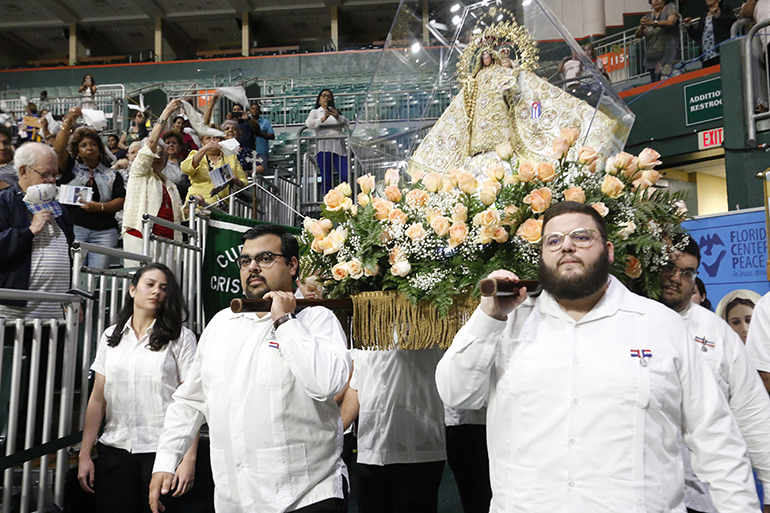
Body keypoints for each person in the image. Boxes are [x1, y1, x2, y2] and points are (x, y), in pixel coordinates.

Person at [435, 201, 762, 512]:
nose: (567, 246)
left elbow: (716, 438)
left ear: (608, 250)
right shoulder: (506, 323)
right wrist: (488, 317)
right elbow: (456, 392)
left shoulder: (661, 326)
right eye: (553, 240)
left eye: (581, 237)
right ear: (541, 255)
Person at [149, 224, 351, 513]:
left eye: (266, 258)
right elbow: (190, 401)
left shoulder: (317, 319)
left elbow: (326, 384)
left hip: (306, 494)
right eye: (246, 261)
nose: (253, 267)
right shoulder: (221, 323)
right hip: (236, 497)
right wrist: (166, 460)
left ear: (292, 264)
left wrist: (284, 321)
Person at [658, 238, 770, 513]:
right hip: (647, 486)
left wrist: (768, 488)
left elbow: (751, 412)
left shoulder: (716, 332)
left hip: (707, 490)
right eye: (669, 267)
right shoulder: (632, 320)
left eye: (687, 272)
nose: (677, 279)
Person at [78, 263, 198, 513]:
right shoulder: (111, 335)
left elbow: (192, 401)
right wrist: (84, 454)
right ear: (132, 289)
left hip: (163, 452)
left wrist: (188, 459)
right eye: (150, 284)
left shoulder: (181, 337)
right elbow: (98, 399)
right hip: (115, 448)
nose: (157, 292)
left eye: (163, 288)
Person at [406, 45, 617, 177]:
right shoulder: (476, 78)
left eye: (489, 55)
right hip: (481, 119)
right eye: (484, 56)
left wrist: (509, 77)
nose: (486, 59)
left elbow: (520, 92)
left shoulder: (504, 71)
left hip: (500, 114)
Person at [348, 346, 447, 513]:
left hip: (418, 450)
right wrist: (338, 429)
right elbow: (356, 386)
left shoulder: (428, 330)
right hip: (371, 451)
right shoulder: (368, 337)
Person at [0, 142, 74, 319]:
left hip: (54, 312)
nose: (51, 180)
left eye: (55, 174)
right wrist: (29, 231)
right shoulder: (4, 202)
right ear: (24, 171)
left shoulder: (60, 209)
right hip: (13, 312)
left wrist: (72, 298)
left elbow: (71, 253)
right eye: (45, 174)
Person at [55, 107, 126, 269]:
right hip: (74, 230)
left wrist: (100, 207)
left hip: (105, 233)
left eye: (93, 144)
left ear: (100, 149)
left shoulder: (112, 174)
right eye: (84, 145)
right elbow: (59, 151)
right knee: (73, 275)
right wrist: (69, 121)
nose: (89, 147)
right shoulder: (69, 168)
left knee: (96, 278)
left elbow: (121, 200)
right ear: (77, 150)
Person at [121, 100, 185, 261]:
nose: (157, 157)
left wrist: (194, 206)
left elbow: (180, 216)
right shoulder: (139, 173)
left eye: (161, 154)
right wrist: (166, 112)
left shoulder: (169, 184)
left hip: (169, 243)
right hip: (141, 238)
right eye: (153, 154)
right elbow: (150, 144)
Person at [181, 127, 247, 207]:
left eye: (216, 137)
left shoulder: (231, 157)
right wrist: (204, 149)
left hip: (224, 206)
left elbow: (244, 181)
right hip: (199, 204)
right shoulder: (196, 155)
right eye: (208, 138)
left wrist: (237, 181)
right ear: (202, 143)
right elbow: (185, 169)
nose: (212, 141)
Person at [305, 90, 349, 193]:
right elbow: (308, 123)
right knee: (327, 178)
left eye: (329, 96)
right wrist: (322, 119)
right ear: (319, 99)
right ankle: (328, 203)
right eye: (324, 96)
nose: (326, 98)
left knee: (344, 175)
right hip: (323, 147)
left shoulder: (336, 112)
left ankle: (345, 201)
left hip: (339, 147)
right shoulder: (315, 112)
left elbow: (347, 123)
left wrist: (337, 116)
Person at [636, 0, 681, 82]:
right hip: (652, 60)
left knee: (669, 84)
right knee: (655, 86)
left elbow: (670, 22)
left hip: (668, 57)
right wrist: (642, 27)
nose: (656, 0)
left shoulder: (670, 8)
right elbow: (637, 35)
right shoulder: (648, 16)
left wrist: (653, 23)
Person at [683, 0, 737, 68]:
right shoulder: (704, 15)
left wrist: (718, 17)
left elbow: (731, 24)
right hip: (706, 56)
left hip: (721, 53)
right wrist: (689, 26)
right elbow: (698, 36)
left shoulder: (725, 9)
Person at [161, 130, 191, 201]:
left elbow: (189, 186)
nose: (171, 145)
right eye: (168, 143)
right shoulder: (159, 163)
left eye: (174, 143)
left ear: (179, 146)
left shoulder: (185, 163)